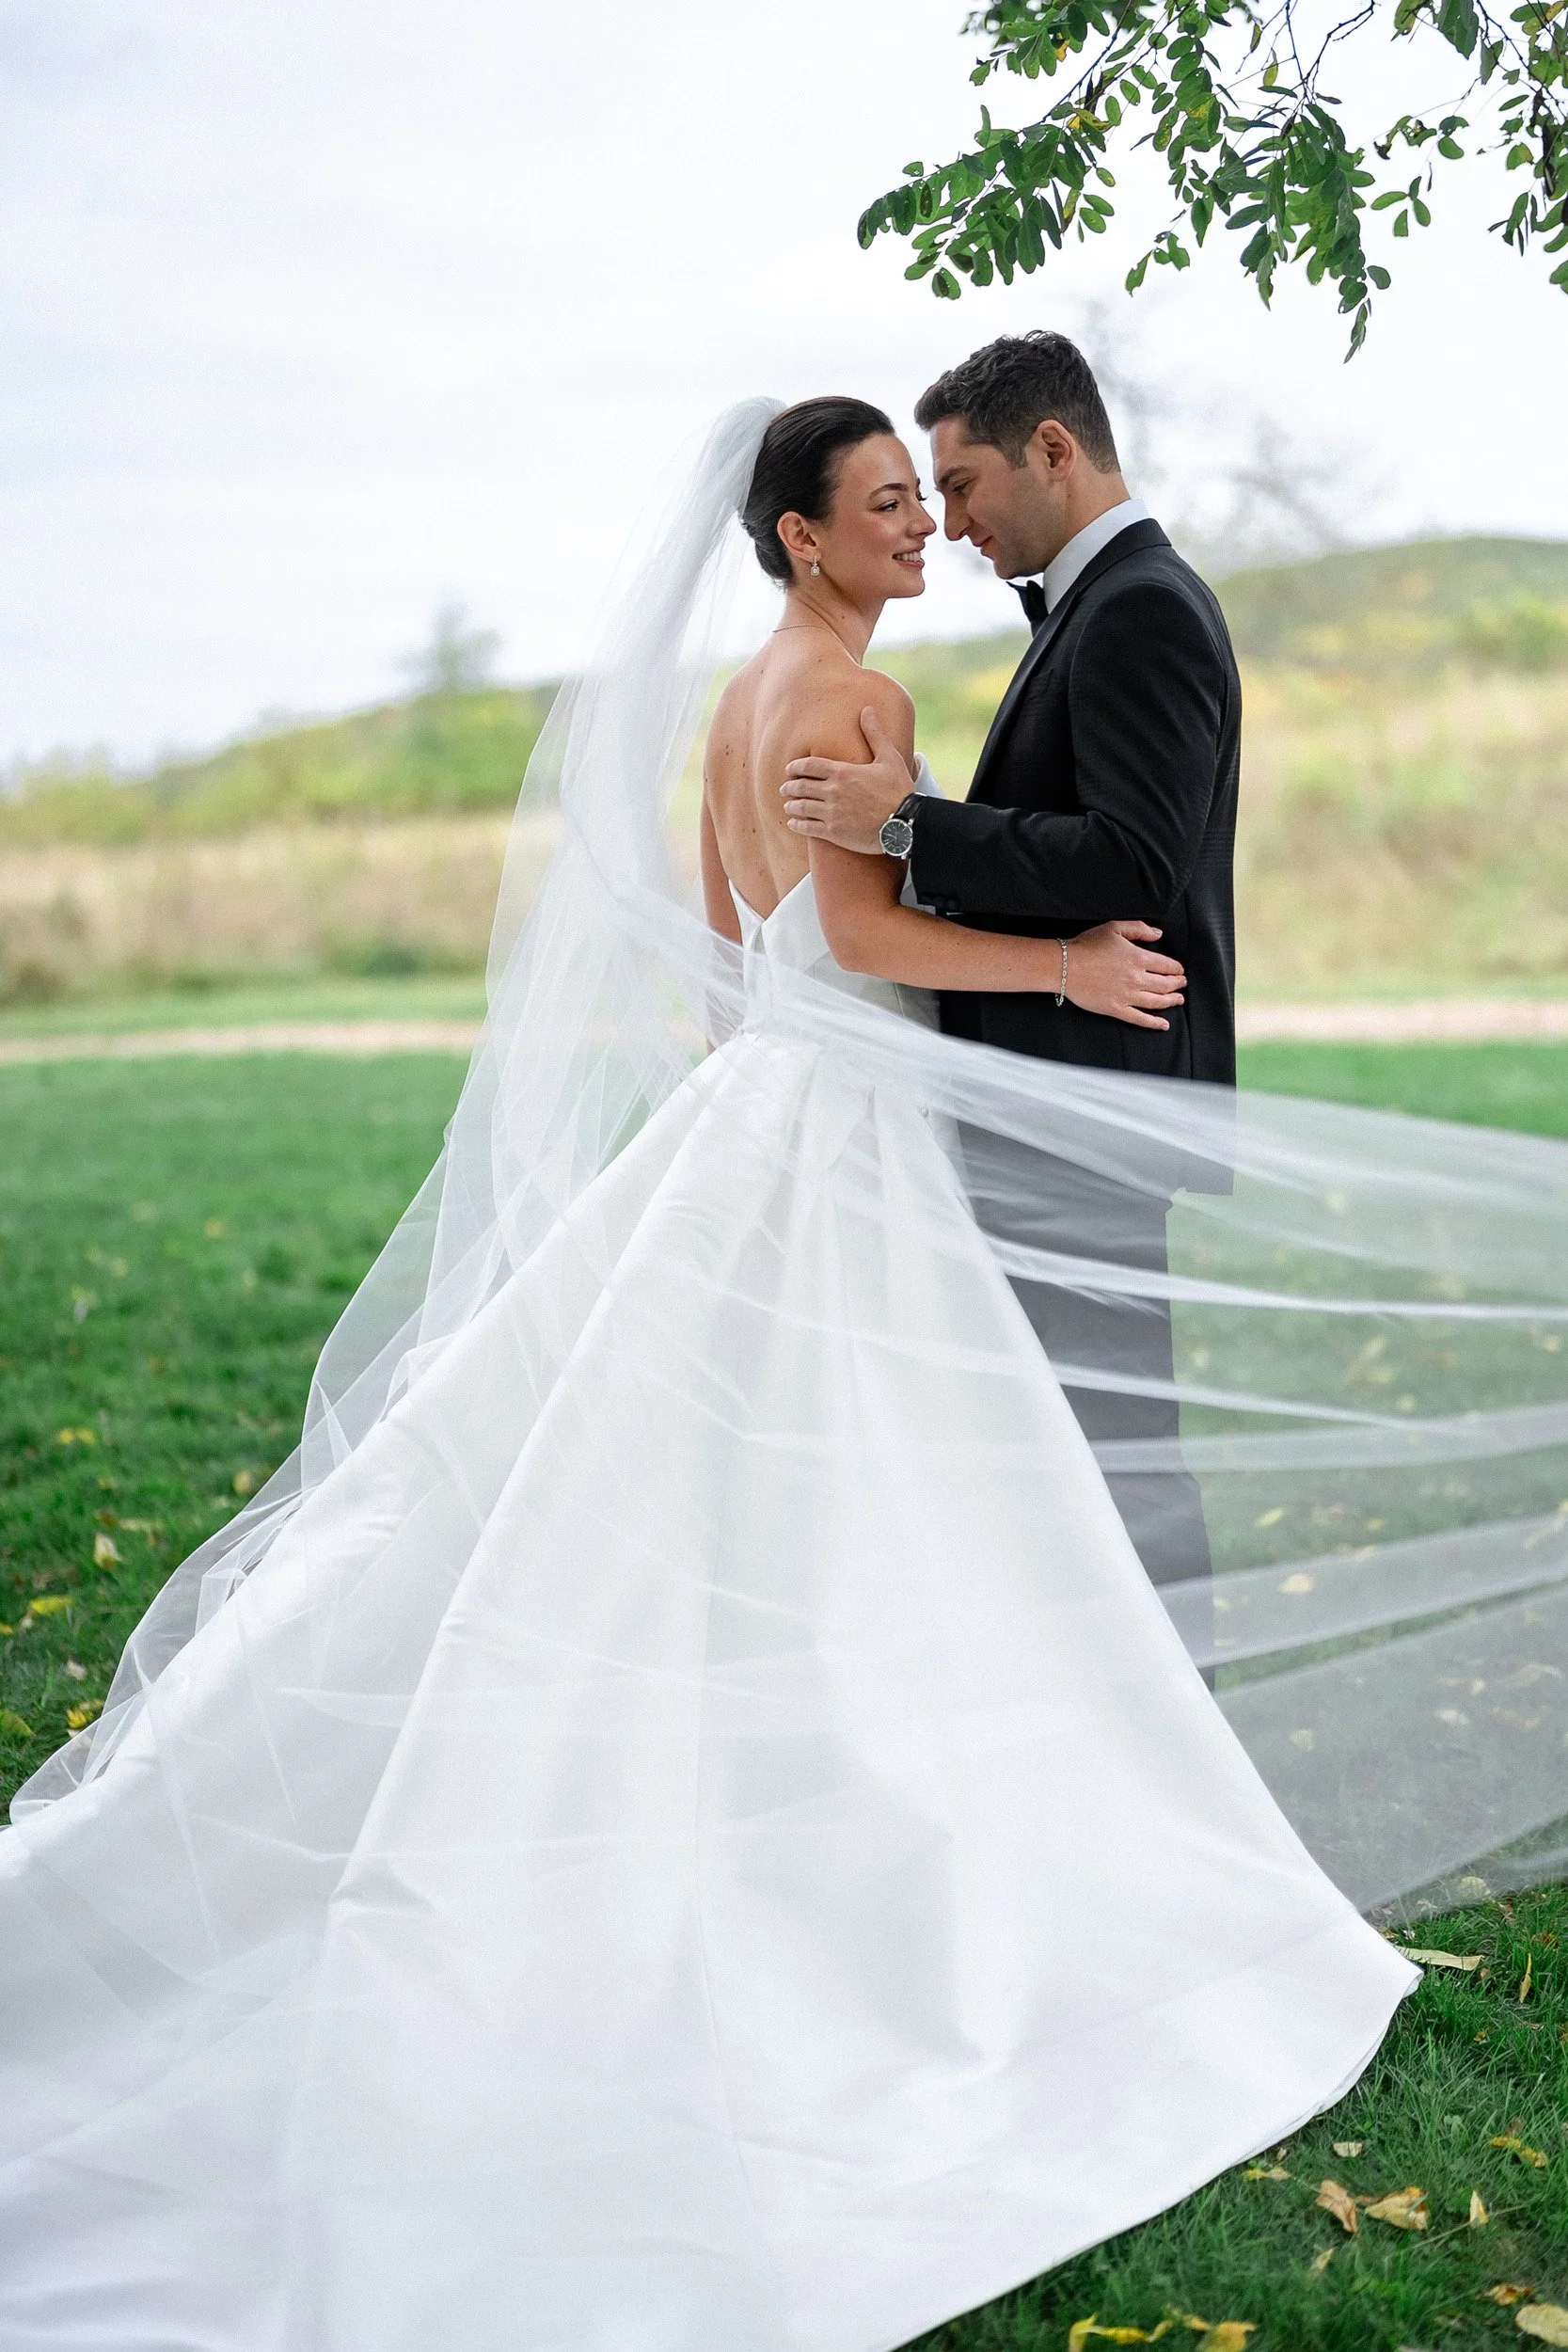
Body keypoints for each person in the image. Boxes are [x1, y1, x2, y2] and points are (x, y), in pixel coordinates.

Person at [0, 395, 1415, 2352]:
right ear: (793, 536)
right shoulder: (858, 709)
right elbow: (857, 923)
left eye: (934, 494)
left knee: (740, 1483)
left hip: (766, 1103)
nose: (921, 525)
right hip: (836, 1133)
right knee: (900, 1486)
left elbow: (717, 934)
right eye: (884, 504)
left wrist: (808, 1024)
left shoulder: (749, 695)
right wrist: (1063, 976)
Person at [782, 333, 1236, 1595]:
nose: (951, 519)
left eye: (963, 482)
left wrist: (906, 826)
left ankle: (1172, 1736)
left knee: (1114, 1448)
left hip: (1096, 1099)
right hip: (1058, 1096)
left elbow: (1131, 858)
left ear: (1051, 448)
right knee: (1059, 1446)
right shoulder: (1097, 605)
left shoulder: (1139, 606)